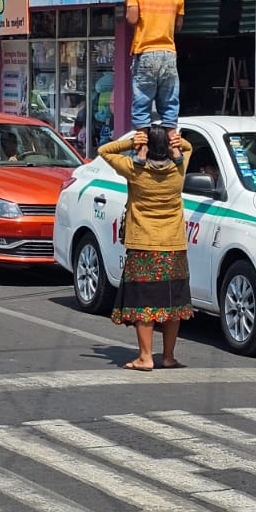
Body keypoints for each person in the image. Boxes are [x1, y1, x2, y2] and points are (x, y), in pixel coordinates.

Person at [97, 125, 194, 370]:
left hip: (143, 247)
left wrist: (131, 143)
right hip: (173, 247)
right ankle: (168, 356)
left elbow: (104, 151)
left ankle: (145, 357)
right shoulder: (178, 170)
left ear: (147, 147)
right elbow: (188, 147)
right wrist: (176, 143)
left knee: (144, 305)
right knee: (172, 305)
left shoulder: (134, 171)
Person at [125, 0, 184, 129]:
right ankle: (173, 142)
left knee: (142, 102)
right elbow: (178, 26)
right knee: (169, 102)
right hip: (168, 53)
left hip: (146, 53)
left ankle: (141, 147)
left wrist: (128, 3)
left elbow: (132, 19)